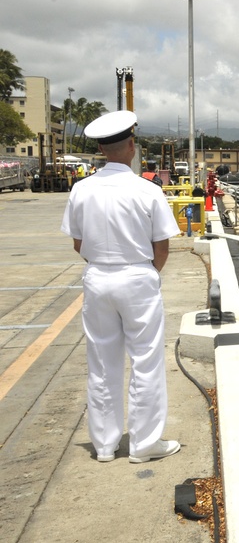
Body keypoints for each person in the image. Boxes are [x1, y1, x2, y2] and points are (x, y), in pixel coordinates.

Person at [60, 110, 182, 464]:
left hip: (97, 278)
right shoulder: (147, 190)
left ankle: (104, 445)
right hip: (137, 276)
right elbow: (162, 247)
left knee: (100, 361)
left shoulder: (81, 189)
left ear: (100, 148)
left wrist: (104, 266)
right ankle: (144, 444)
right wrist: (146, 273)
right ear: (132, 146)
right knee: (145, 360)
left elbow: (78, 243)